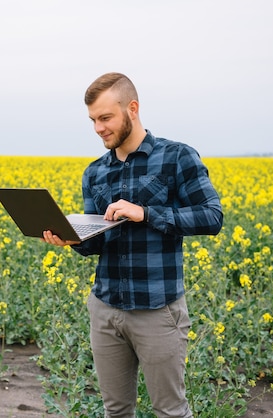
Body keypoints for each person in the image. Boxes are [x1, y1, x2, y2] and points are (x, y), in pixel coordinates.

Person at [42, 72, 223, 418]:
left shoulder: (176, 157)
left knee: (170, 411)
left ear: (133, 109)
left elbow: (212, 217)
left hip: (157, 310)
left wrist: (146, 213)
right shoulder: (94, 172)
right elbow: (97, 243)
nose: (98, 128)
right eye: (93, 120)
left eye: (106, 117)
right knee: (116, 410)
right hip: (105, 307)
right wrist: (71, 240)